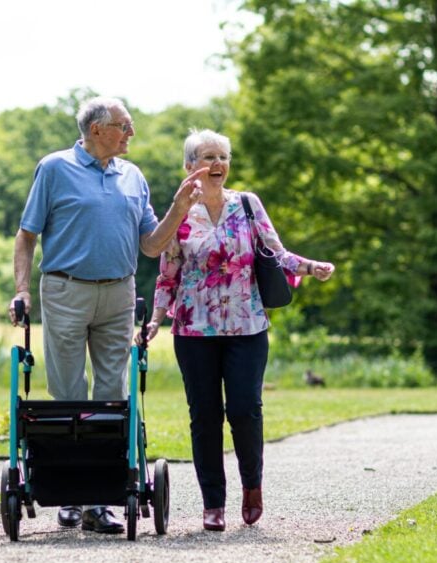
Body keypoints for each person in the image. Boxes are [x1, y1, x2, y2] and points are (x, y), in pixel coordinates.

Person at [8, 97, 208, 534]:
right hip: (64, 290)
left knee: (112, 395)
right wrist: (22, 290)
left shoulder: (132, 177)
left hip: (119, 292)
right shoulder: (55, 168)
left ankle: (98, 499)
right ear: (97, 129)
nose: (130, 133)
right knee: (68, 394)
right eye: (124, 125)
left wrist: (178, 206)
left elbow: (152, 246)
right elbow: (26, 236)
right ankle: (68, 493)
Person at [142, 129, 334, 532]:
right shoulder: (179, 213)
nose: (217, 165)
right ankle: (213, 502)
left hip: (247, 326)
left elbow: (275, 253)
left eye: (223, 157)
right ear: (189, 167)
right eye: (208, 157)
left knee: (245, 409)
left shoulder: (247, 204)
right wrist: (158, 318)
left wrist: (309, 266)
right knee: (205, 416)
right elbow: (168, 273)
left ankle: (252, 485)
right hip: (194, 329)